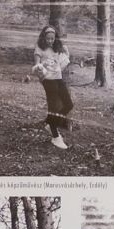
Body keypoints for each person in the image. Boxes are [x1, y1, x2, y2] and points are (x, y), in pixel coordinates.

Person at [33, 18, 73, 152]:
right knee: (53, 107)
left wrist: (66, 55)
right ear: (43, 37)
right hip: (47, 80)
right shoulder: (39, 48)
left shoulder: (57, 47)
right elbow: (36, 67)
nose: (50, 41)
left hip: (58, 78)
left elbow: (61, 66)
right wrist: (42, 67)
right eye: (48, 39)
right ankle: (55, 136)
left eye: (52, 38)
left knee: (69, 104)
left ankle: (51, 123)